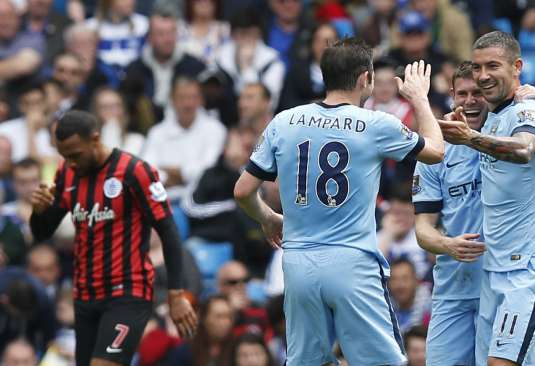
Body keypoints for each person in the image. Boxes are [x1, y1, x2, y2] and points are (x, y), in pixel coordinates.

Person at [233, 37, 445, 365]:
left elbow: (243, 191)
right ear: (365, 78)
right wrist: (419, 98)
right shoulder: (376, 124)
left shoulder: (285, 121)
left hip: (299, 263)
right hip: (353, 263)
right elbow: (436, 151)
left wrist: (268, 217)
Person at [414, 59, 535, 365]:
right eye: (461, 94)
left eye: (477, 93)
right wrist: (447, 244)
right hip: (454, 285)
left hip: (510, 280)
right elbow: (422, 230)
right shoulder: (438, 150)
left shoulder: (513, 129)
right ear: (452, 95)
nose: (469, 101)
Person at [28, 110, 197, 366]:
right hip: (85, 295)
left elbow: (169, 231)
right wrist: (38, 212)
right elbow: (42, 232)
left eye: (75, 155)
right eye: (64, 156)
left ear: (95, 139)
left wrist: (176, 294)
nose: (71, 162)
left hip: (127, 293)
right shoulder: (67, 171)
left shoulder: (134, 171)